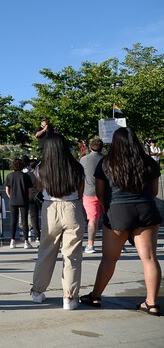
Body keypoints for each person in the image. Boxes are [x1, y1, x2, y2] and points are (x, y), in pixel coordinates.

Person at [80, 127, 162, 316]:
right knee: (149, 258)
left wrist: (109, 208)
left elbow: (100, 193)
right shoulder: (149, 162)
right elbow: (154, 192)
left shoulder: (106, 163)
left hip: (117, 212)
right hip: (146, 212)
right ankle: (151, 303)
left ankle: (95, 295)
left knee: (109, 258)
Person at [29, 133, 85, 310]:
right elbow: (81, 190)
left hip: (50, 208)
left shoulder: (41, 167)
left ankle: (37, 292)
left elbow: (40, 187)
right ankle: (69, 297)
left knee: (46, 251)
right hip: (72, 207)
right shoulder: (76, 167)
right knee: (72, 255)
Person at [80, 137, 104, 253]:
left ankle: (90, 245)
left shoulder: (84, 160)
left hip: (89, 192)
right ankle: (118, 243)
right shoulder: (106, 159)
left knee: (92, 219)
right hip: (105, 193)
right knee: (110, 218)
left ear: (90, 147)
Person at [5, 159, 33, 249]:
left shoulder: (9, 176)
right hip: (23, 199)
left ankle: (12, 241)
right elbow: (30, 190)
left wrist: (11, 197)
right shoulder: (26, 176)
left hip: (13, 200)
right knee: (24, 220)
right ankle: (26, 241)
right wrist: (27, 197)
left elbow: (7, 190)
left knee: (13, 220)